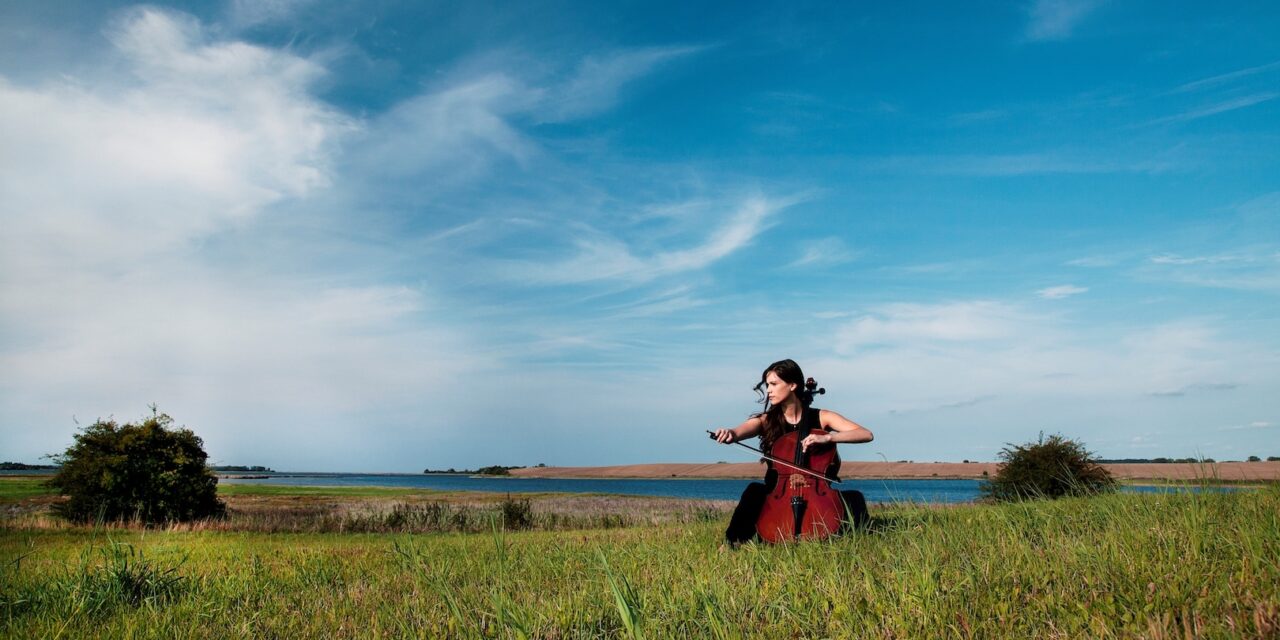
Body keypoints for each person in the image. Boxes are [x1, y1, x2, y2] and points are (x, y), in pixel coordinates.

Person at [711, 358, 873, 546]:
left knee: (854, 498)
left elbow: (865, 434)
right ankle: (733, 543)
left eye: (773, 384)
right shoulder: (766, 420)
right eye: (767, 385)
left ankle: (857, 541)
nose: (768, 390)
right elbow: (738, 431)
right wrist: (729, 433)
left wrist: (829, 437)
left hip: (815, 490)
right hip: (777, 492)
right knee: (753, 492)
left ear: (793, 385)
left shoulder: (822, 417)